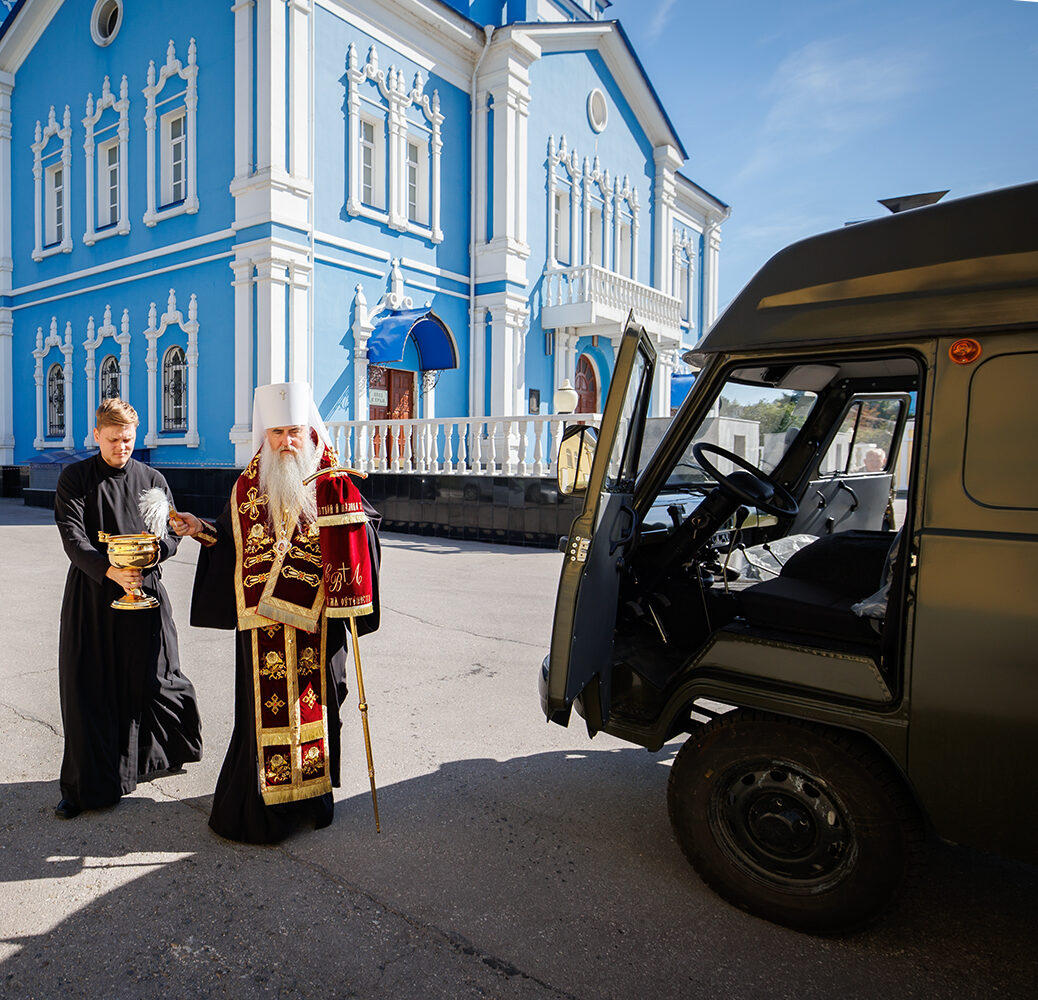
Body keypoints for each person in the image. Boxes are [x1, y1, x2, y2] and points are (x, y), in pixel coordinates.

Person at [173, 382, 380, 844]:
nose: (287, 441)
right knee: (261, 712)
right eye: (277, 432)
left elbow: (363, 540)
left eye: (294, 431)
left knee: (320, 705)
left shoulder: (334, 479)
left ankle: (311, 800)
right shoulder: (250, 481)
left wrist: (352, 538)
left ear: (309, 432)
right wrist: (202, 530)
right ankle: (263, 806)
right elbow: (231, 539)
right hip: (259, 624)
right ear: (263, 437)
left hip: (317, 624)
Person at [53, 398, 203, 820]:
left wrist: (152, 558)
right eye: (114, 439)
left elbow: (170, 535)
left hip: (145, 593)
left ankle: (156, 756)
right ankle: (84, 788)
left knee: (156, 678)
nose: (122, 448)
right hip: (94, 594)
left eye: (129, 440)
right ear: (96, 434)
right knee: (90, 689)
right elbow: (73, 539)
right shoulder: (75, 478)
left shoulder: (151, 479)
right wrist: (110, 571)